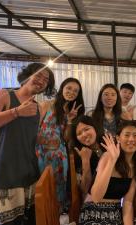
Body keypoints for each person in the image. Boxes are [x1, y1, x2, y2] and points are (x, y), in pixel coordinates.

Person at [0, 63, 55, 225]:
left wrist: (43, 140)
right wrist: (16, 112)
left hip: (29, 173)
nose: (41, 81)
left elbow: (27, 135)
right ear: (26, 76)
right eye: (38, 75)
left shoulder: (38, 108)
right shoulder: (3, 95)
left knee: (29, 220)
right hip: (4, 173)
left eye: (46, 80)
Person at [78, 120, 136, 225]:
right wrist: (112, 161)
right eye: (126, 135)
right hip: (93, 210)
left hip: (115, 212)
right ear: (118, 138)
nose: (131, 139)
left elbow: (128, 202)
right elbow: (96, 197)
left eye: (135, 135)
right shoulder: (108, 156)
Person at [36, 77, 85, 212]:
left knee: (59, 187)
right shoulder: (47, 104)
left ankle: (57, 214)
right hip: (42, 153)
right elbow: (36, 127)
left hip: (59, 154)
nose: (71, 92)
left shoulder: (70, 111)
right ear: (62, 88)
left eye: (75, 91)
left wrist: (69, 120)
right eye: (69, 88)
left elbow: (66, 138)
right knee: (42, 186)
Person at [71, 115, 104, 198]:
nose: (84, 134)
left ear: (95, 128)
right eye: (79, 133)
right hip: (93, 199)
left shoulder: (108, 145)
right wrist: (85, 161)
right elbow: (85, 190)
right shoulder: (78, 154)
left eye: (86, 129)